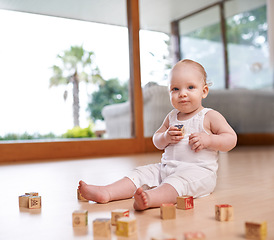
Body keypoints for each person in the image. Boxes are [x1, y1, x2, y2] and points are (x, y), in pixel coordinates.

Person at [78, 59, 237, 211]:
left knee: (176, 184)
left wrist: (209, 139)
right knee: (141, 173)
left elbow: (231, 139)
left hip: (198, 173)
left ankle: (150, 198)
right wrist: (166, 137)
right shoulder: (171, 117)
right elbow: (157, 140)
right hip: (166, 168)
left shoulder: (209, 116)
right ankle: (107, 192)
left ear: (204, 91)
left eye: (190, 87)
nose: (182, 94)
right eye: (175, 89)